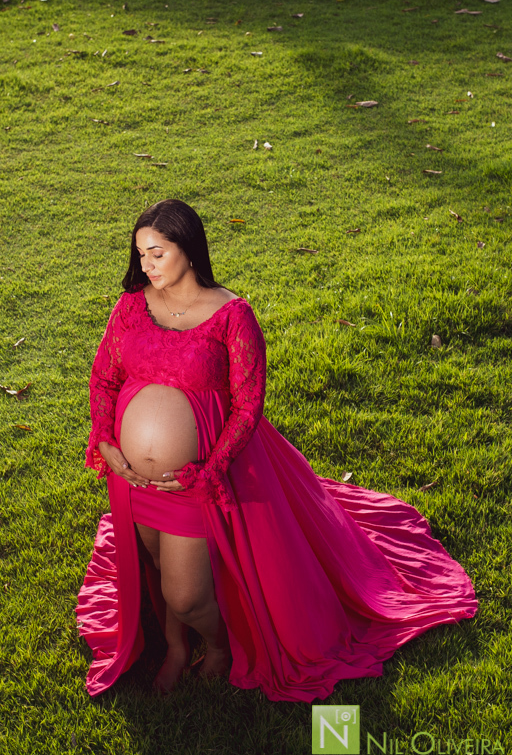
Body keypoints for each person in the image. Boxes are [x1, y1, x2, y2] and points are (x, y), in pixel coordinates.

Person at [76, 199, 478, 700]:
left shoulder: (232, 316)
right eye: (141, 254)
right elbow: (104, 377)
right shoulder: (131, 306)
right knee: (157, 568)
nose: (147, 265)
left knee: (185, 594)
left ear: (189, 248)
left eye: (157, 253)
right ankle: (177, 648)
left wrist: (209, 470)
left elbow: (248, 408)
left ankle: (219, 647)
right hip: (134, 481)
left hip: (197, 480)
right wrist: (106, 438)